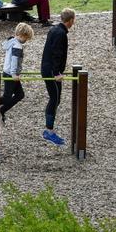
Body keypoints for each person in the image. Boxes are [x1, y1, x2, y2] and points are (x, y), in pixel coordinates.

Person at [39, 8, 76, 146]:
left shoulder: (55, 29)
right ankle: (49, 131)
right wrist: (56, 73)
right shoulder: (61, 34)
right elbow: (56, 54)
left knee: (56, 98)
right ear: (71, 20)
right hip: (51, 71)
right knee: (55, 99)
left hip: (48, 68)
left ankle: (49, 130)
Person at [0, 23, 34, 121]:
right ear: (22, 35)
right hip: (10, 74)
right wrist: (14, 74)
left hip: (9, 72)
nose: (26, 41)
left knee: (20, 95)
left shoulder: (11, 41)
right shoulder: (17, 46)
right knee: (6, 97)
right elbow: (14, 60)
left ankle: (2, 109)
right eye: (26, 38)